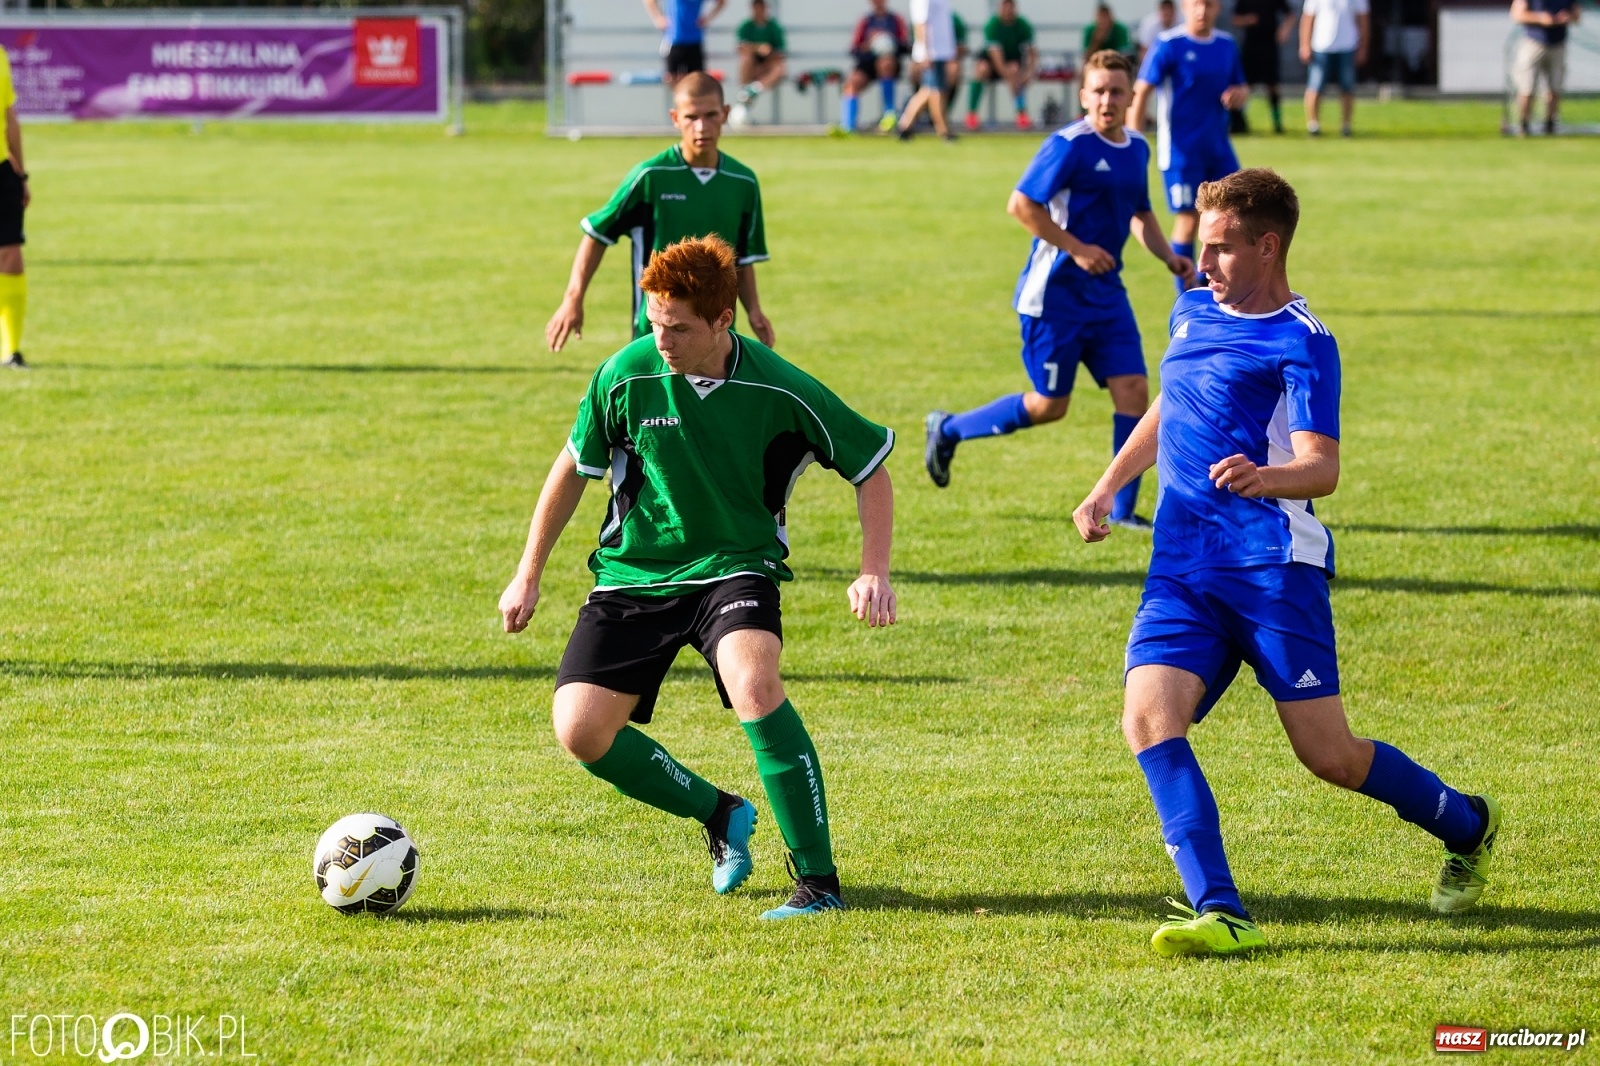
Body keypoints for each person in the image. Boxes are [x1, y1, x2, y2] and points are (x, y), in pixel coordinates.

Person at [1070, 169, 1502, 957]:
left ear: (1268, 247)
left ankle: (1467, 823)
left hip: (1272, 569)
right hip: (1181, 568)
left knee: (1328, 755)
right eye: (1202, 247)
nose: (1204, 264)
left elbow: (1323, 467)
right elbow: (1170, 400)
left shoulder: (1304, 339)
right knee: (1147, 719)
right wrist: (1108, 485)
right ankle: (1222, 908)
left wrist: (1263, 478)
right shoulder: (1193, 309)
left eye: (1222, 249)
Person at [501, 236, 898, 921]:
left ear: (723, 321)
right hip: (634, 573)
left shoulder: (779, 385)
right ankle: (718, 813)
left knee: (755, 681)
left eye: (679, 328)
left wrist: (874, 571)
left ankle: (819, 883)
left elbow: (870, 466)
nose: (662, 340)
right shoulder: (624, 374)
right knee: (581, 730)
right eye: (654, 323)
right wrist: (526, 574)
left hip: (734, 566)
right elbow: (572, 468)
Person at [924, 50, 1194, 531]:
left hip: (1107, 295)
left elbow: (1142, 213)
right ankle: (947, 429)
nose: (1107, 100)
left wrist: (1169, 256)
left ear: (1132, 96)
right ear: (1083, 95)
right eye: (1099, 91)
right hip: (1054, 297)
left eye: (1117, 91)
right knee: (1051, 406)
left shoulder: (1136, 148)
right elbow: (1021, 204)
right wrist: (1078, 248)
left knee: (1134, 390)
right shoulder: (1068, 145)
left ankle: (1125, 512)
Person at [545, 73, 774, 352]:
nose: (701, 127)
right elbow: (597, 233)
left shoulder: (743, 181)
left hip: (717, 333)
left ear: (725, 113)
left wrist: (754, 311)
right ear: (675, 118)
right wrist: (573, 298)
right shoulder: (651, 176)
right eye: (691, 117)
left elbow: (743, 259)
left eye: (711, 115)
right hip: (655, 331)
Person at [1130, 0, 1248, 295]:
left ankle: (1222, 287)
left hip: (1219, 148)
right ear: (1185, 6)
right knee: (1188, 218)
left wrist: (1239, 94)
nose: (1202, 11)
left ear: (1217, 8)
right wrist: (1132, 139)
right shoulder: (1169, 44)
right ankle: (1186, 296)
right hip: (1181, 152)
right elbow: (1142, 89)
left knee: (1237, 214)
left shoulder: (1226, 44)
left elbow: (1242, 86)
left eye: (1208, 5)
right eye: (1196, 4)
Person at [1299, 0, 1368, 136]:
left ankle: (1346, 125)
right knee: (1315, 86)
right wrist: (1304, 44)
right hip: (1321, 45)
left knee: (1347, 87)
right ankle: (1313, 125)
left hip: (1348, 46)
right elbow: (1308, 18)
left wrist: (1363, 47)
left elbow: (1363, 20)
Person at [1510, 0, 1579, 136]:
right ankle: (1523, 123)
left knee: (1554, 87)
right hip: (1533, 42)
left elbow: (1577, 15)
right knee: (1527, 86)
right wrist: (1541, 18)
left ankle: (1550, 123)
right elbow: (1516, 14)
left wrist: (1567, 17)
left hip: (1558, 44)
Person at [0, 42, 28, 370]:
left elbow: (9, 117)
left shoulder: (1, 55)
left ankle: (12, 351)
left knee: (11, 257)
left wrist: (21, 173)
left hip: (2, 172)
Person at [968, 0, 1039, 131]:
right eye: (1004, 6)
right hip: (991, 62)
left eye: (1010, 6)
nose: (1007, 10)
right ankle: (971, 113)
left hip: (1012, 60)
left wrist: (1028, 74)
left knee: (1014, 69)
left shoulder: (1022, 25)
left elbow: (1032, 53)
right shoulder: (992, 25)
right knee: (981, 69)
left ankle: (1021, 113)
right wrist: (1012, 77)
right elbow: (996, 57)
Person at [842, 0, 911, 133]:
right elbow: (854, 49)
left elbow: (906, 46)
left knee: (885, 63)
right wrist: (868, 45)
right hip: (867, 62)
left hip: (890, 64)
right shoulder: (865, 21)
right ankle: (848, 125)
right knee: (852, 82)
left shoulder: (896, 20)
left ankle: (889, 114)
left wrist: (890, 42)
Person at [895, 0, 958, 140]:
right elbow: (920, 23)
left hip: (941, 51)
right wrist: (925, 52)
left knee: (928, 90)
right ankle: (943, 130)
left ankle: (905, 125)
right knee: (936, 91)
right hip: (932, 53)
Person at [1231, 0, 1293, 133]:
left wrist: (1284, 30)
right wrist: (1247, 19)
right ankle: (1238, 121)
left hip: (1269, 46)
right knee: (1246, 86)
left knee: (1272, 85)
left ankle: (1277, 123)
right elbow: (1235, 19)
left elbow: (1290, 14)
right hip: (1251, 47)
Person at [644, 0, 726, 85]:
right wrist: (658, 18)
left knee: (696, 79)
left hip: (695, 40)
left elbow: (721, 2)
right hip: (673, 40)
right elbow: (649, 1)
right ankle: (677, 97)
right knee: (671, 78)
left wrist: (708, 19)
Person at [734, 0, 788, 113]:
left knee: (780, 68)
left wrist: (769, 53)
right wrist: (758, 48)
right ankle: (743, 92)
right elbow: (740, 48)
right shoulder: (746, 26)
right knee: (746, 59)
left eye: (761, 8)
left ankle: (753, 90)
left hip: (768, 67)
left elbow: (781, 52)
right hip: (752, 68)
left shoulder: (774, 27)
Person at [1136, 0, 1178, 67]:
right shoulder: (1149, 24)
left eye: (1169, 10)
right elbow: (1144, 50)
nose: (1166, 13)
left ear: (1174, 12)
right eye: (1164, 10)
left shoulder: (1183, 23)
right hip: (1155, 60)